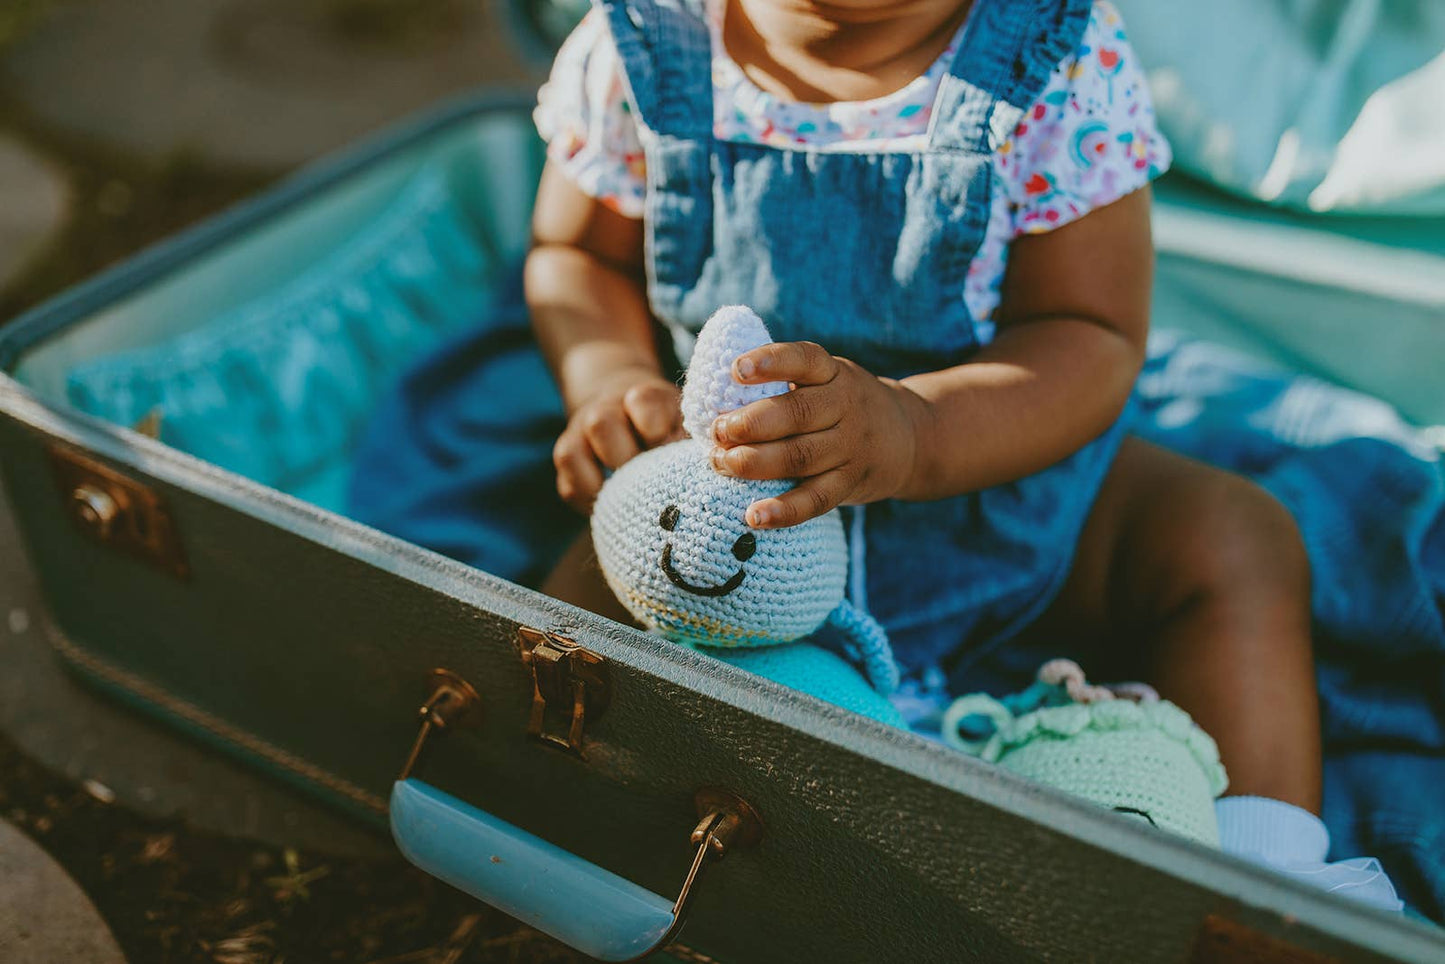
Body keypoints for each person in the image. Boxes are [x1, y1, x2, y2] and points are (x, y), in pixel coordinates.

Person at [523, 0, 1399, 904]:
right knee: (571, 609)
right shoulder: (644, 46)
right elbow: (574, 255)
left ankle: (1264, 883)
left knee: (1231, 536)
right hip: (734, 523)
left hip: (1005, 497)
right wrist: (610, 383)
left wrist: (916, 430)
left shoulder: (1048, 60)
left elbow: (1088, 332)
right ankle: (586, 832)